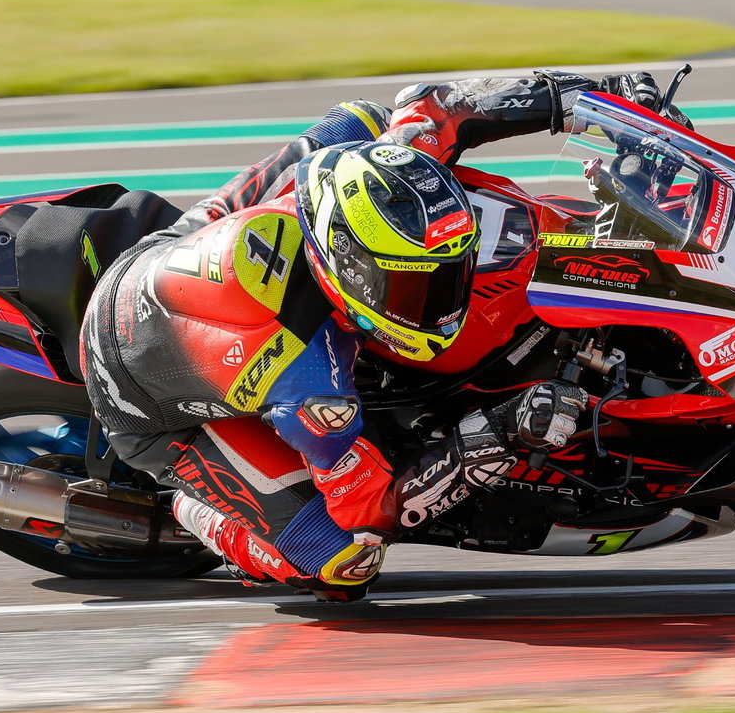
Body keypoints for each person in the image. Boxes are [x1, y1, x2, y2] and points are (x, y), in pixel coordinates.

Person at [78, 70, 684, 600]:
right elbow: (375, 504)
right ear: (352, 268)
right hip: (143, 392)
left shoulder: (374, 161)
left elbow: (441, 104)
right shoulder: (308, 383)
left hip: (183, 250)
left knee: (358, 118)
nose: (442, 303)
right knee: (342, 562)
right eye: (417, 288)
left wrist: (599, 98)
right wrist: (492, 434)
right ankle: (187, 509)